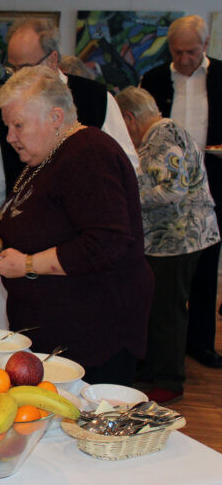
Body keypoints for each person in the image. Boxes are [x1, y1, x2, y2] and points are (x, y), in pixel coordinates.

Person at [0, 66, 152, 385]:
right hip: (59, 336)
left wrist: (27, 264)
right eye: (8, 127)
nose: (10, 137)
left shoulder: (91, 154)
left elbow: (106, 244)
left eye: (18, 125)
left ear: (56, 118)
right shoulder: (47, 157)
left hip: (93, 339)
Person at [0, 18, 138, 237]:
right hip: (24, 241)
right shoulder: (2, 106)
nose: (17, 76)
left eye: (25, 67)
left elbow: (129, 171)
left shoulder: (96, 99)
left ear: (52, 60)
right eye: (12, 69)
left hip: (85, 238)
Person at [116, 86, 219, 403]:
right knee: (159, 308)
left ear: (130, 118)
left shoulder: (163, 133)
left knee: (167, 312)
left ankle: (169, 380)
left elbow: (172, 189)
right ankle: (154, 370)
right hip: (175, 239)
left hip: (177, 239)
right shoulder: (166, 133)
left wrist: (128, 201)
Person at [140, 15, 222, 369]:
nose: (184, 59)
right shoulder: (156, 78)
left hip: (213, 179)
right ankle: (165, 350)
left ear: (205, 46)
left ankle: (201, 344)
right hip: (164, 184)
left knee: (206, 265)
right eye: (177, 52)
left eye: (191, 51)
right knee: (168, 281)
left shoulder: (219, 74)